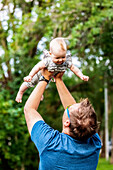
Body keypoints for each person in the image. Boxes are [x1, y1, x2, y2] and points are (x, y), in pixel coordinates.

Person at [24, 69, 101, 170]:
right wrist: (58, 80)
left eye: (71, 107)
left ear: (67, 122)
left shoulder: (51, 143)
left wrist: (45, 77)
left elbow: (29, 109)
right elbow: (74, 114)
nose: (70, 105)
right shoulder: (94, 143)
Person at [15, 37, 89, 103]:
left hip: (50, 77)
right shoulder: (48, 60)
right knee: (29, 83)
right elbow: (37, 67)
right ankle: (20, 92)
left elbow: (74, 68)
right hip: (39, 75)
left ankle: (39, 94)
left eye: (63, 57)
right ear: (50, 54)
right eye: (57, 58)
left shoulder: (66, 62)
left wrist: (81, 75)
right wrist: (30, 75)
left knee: (45, 85)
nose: (60, 60)